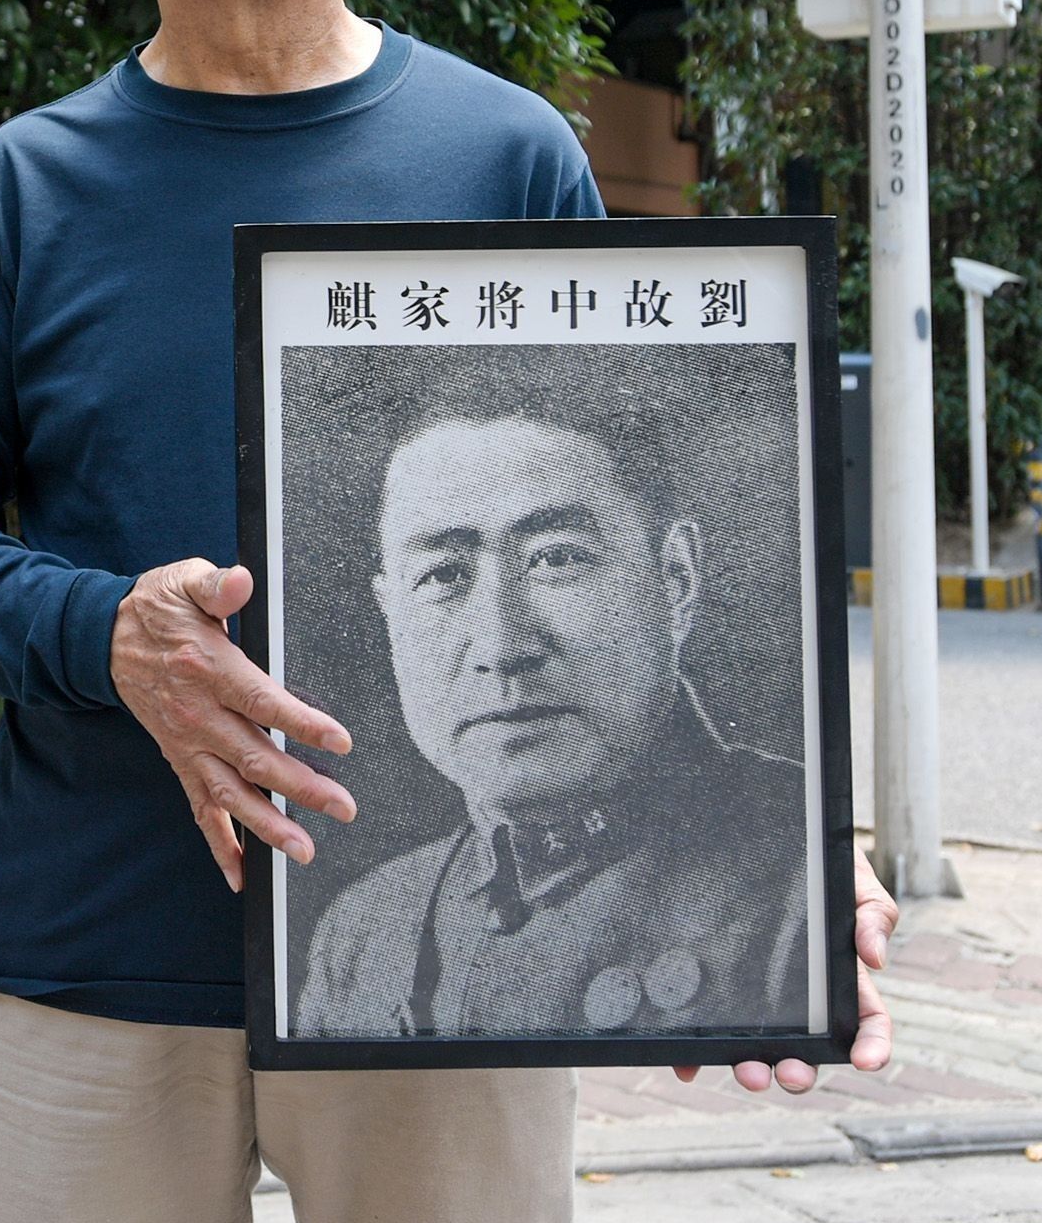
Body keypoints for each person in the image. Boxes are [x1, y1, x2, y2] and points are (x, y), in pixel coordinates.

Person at [0, 0, 896, 1223]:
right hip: (89, 954)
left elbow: (612, 502)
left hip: (460, 984)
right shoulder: (25, 189)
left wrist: (780, 858)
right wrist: (104, 634)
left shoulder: (505, 159)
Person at [296, 409, 809, 1039]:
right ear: (390, 615)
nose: (501, 645)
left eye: (557, 558)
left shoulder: (800, 878)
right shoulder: (362, 931)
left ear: (674, 579)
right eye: (442, 575)